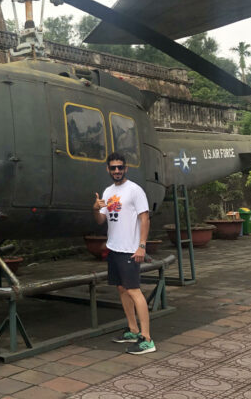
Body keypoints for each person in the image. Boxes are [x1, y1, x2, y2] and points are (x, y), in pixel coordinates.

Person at [93, 152, 156, 355]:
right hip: (114, 248)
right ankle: (133, 329)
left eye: (120, 167)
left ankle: (147, 339)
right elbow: (101, 220)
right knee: (121, 289)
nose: (117, 171)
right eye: (113, 168)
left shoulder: (135, 191)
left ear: (126, 168)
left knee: (134, 290)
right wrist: (95, 209)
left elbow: (144, 219)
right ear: (108, 170)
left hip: (130, 250)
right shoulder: (107, 191)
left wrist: (142, 246)